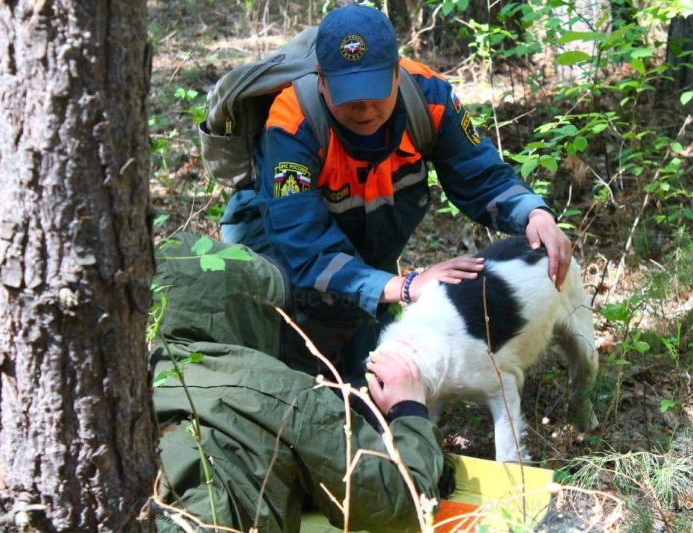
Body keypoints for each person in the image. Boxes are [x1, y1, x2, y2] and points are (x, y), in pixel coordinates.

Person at [218, 4, 573, 383]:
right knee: (308, 365)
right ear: (321, 79)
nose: (365, 109)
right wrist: (402, 286)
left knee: (373, 375)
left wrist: (534, 213)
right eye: (349, 96)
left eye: (375, 91)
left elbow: (479, 173)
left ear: (396, 70)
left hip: (367, 249)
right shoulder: (292, 123)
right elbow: (300, 242)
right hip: (285, 254)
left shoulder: (430, 97)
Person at [152, 232, 445, 532]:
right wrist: (408, 409)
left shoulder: (128, 385)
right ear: (250, 312)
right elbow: (402, 504)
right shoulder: (282, 392)